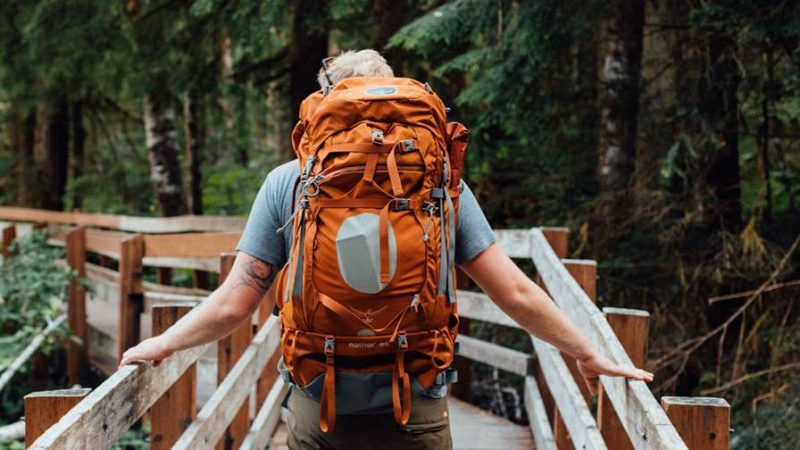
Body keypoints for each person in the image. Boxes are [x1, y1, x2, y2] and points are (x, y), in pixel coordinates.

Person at [120, 49, 654, 449]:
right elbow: (513, 291)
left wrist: (163, 343)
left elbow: (237, 301)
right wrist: (585, 351)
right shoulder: (440, 183)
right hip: (416, 401)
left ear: (326, 104)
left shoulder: (290, 181)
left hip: (319, 401)